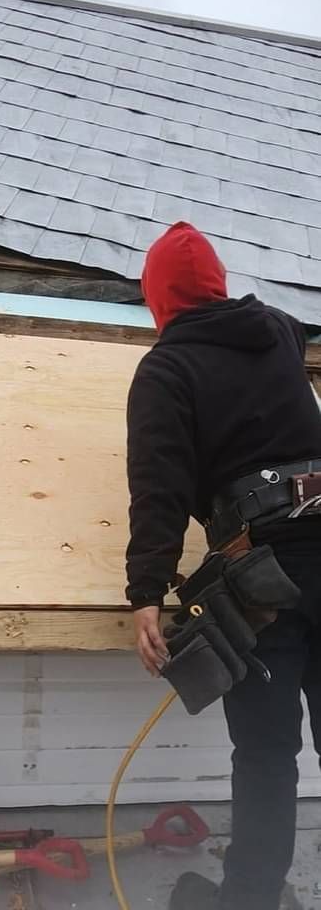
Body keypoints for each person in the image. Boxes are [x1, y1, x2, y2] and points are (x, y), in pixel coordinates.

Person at [125, 222, 321, 910]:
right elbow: (292, 330)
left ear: (158, 302)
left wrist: (144, 592)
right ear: (216, 284)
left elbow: (159, 488)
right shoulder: (275, 330)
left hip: (263, 573)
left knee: (266, 757)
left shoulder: (167, 370)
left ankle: (248, 900)